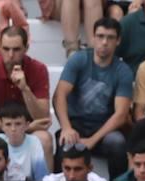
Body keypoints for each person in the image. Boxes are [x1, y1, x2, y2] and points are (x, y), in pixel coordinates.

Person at [55, 19, 132, 168]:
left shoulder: (123, 71)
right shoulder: (79, 59)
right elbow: (60, 94)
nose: (104, 42)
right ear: (93, 37)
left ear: (118, 41)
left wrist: (93, 140)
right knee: (65, 142)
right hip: (75, 124)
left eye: (110, 37)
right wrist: (66, 127)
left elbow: (121, 114)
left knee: (117, 143)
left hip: (103, 128)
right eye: (100, 36)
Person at [0, 27, 52, 163]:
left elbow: (42, 117)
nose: (10, 55)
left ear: (26, 48)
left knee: (44, 139)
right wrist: (23, 127)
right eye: (6, 49)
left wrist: (25, 88)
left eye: (16, 49)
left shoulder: (38, 69)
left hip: (26, 126)